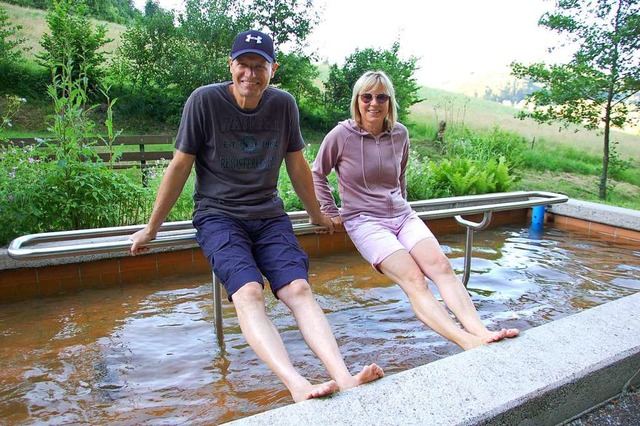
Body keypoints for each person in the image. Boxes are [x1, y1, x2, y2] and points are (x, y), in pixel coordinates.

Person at [129, 30, 384, 402]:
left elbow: (297, 165)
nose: (251, 74)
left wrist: (316, 214)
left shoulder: (283, 105)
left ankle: (342, 376)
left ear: (272, 69)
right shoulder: (204, 101)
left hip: (269, 215)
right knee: (249, 292)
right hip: (219, 217)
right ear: (231, 66)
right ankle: (297, 385)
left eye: (259, 66)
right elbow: (180, 166)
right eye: (244, 65)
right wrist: (152, 228)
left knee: (298, 289)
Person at [312, 70, 519, 351]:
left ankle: (481, 331)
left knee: (442, 267)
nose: (374, 103)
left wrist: (403, 206)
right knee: (414, 279)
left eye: (381, 96)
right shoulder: (341, 135)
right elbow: (317, 173)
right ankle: (466, 341)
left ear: (390, 101)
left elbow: (401, 176)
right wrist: (329, 210)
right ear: (357, 100)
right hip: (365, 221)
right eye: (367, 96)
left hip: (402, 215)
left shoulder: (400, 134)